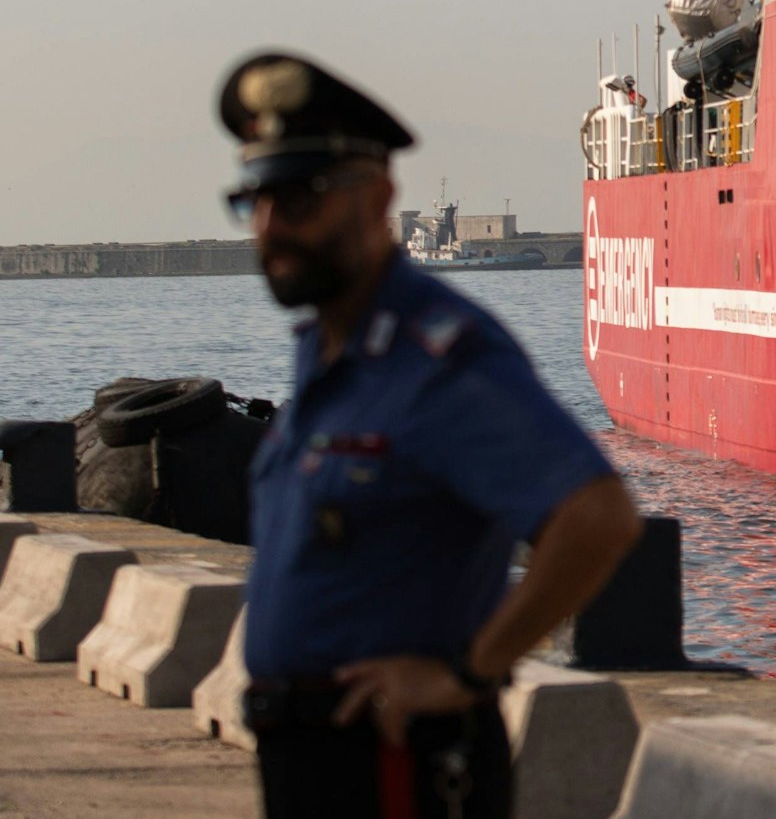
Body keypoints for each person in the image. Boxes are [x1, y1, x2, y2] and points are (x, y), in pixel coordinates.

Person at [219, 50, 643, 819]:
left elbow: (597, 515)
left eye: (300, 197)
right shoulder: (328, 354)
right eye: (256, 200)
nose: (272, 226)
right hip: (308, 761)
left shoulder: (437, 356)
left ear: (379, 196)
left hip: (397, 762)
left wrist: (471, 671)